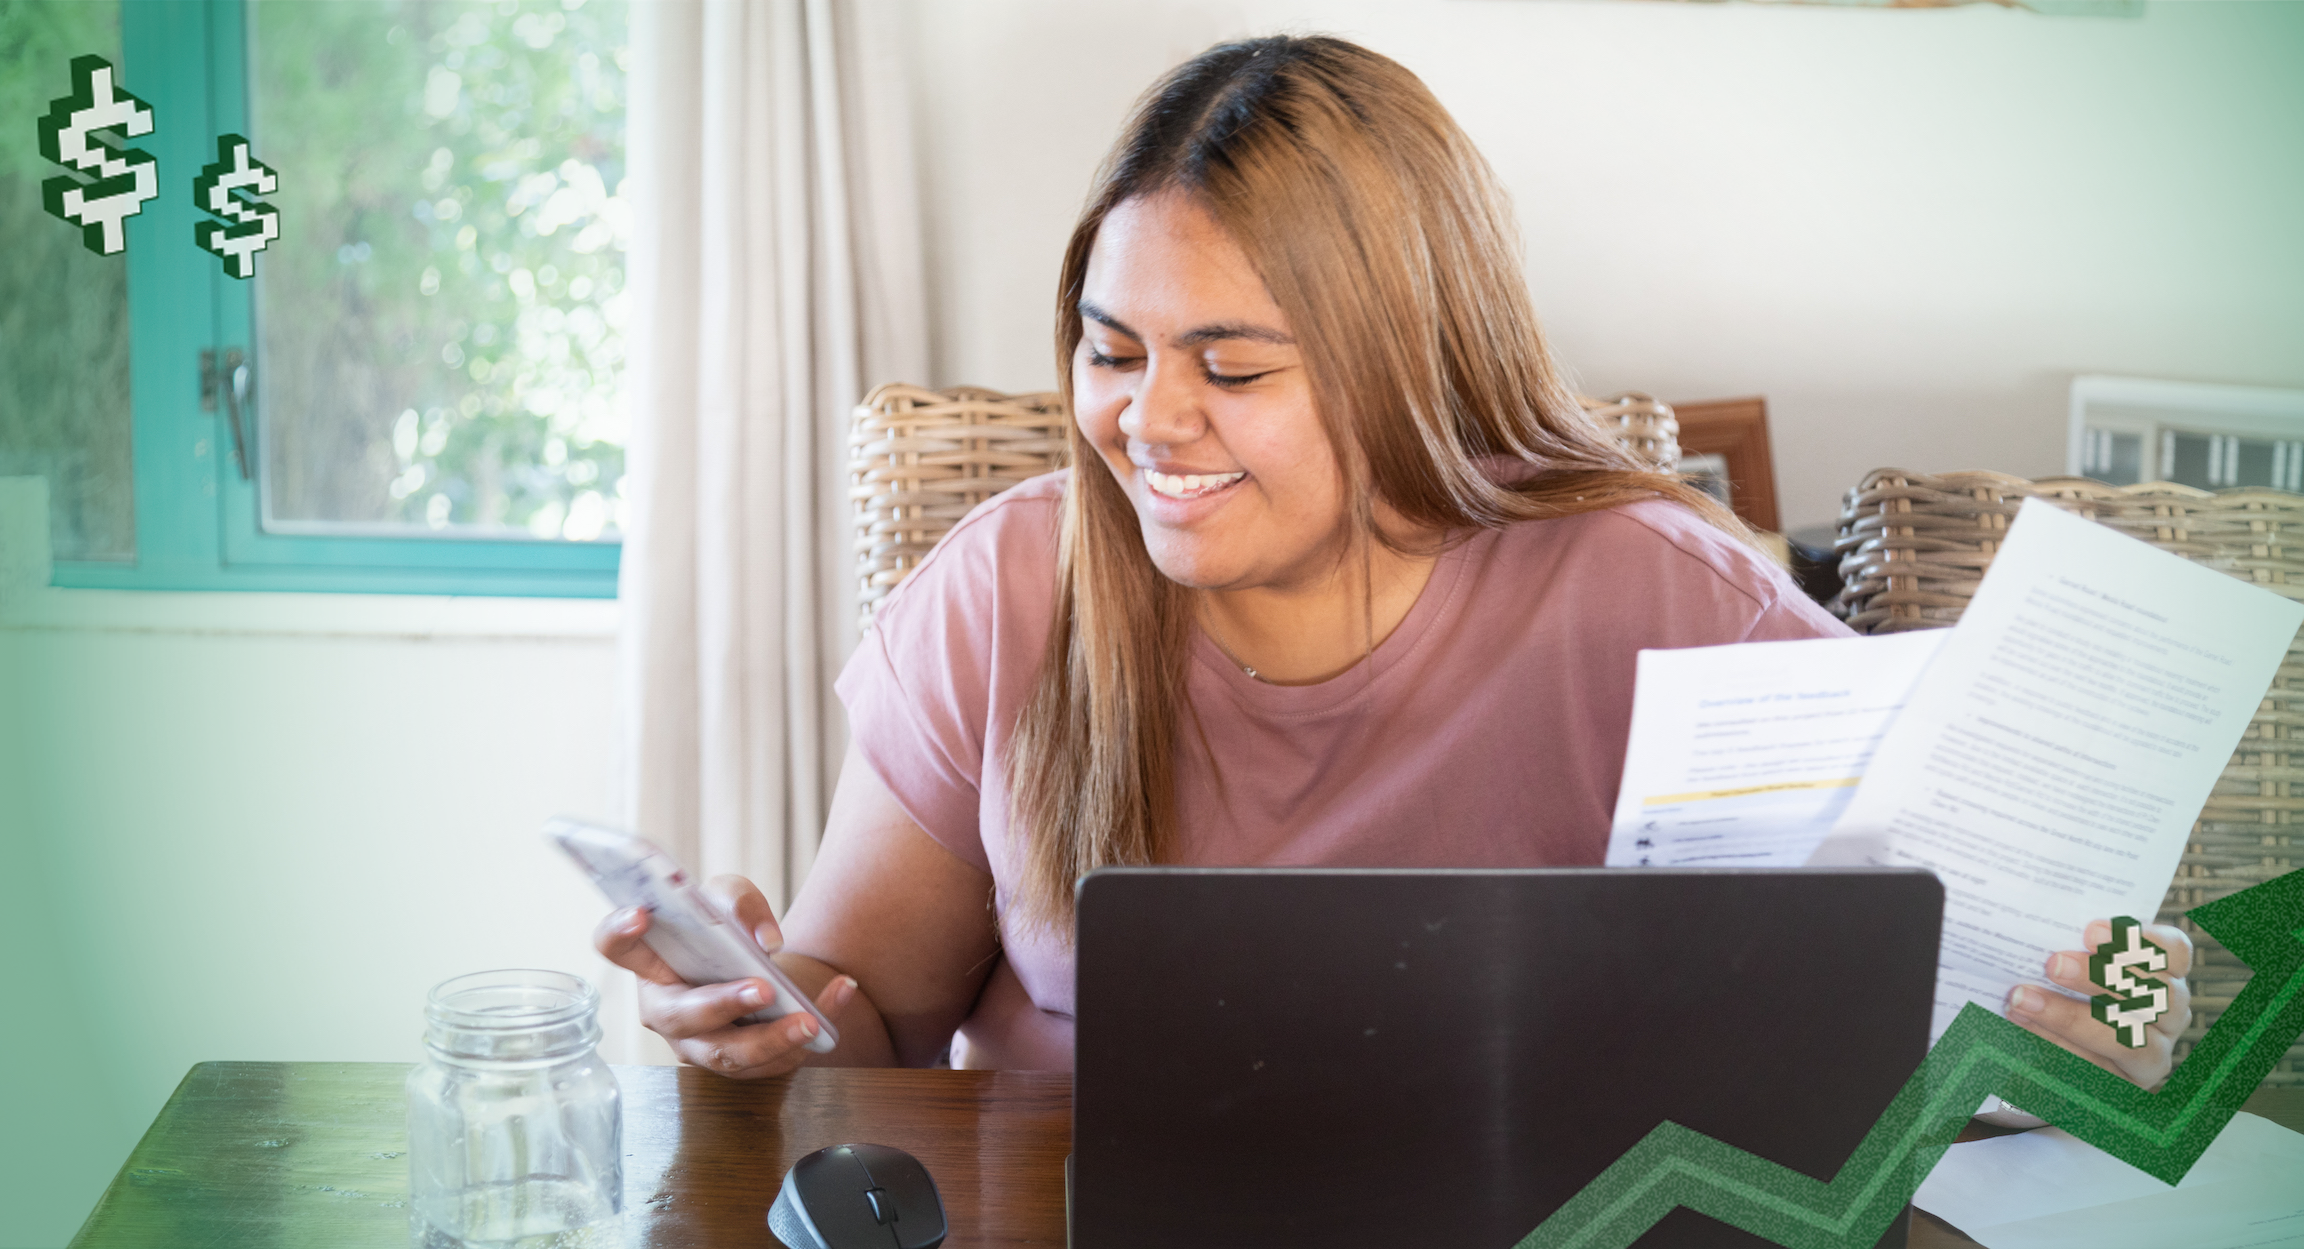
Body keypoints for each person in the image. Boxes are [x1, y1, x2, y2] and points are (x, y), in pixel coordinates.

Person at [597, 35, 2191, 1091]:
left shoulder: (1659, 597)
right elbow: (864, 1019)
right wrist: (760, 1015)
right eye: (1110, 350)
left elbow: (1933, 999)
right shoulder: (1013, 588)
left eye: (1231, 368)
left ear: (1405, 367)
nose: (1146, 422)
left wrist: (2101, 1002)